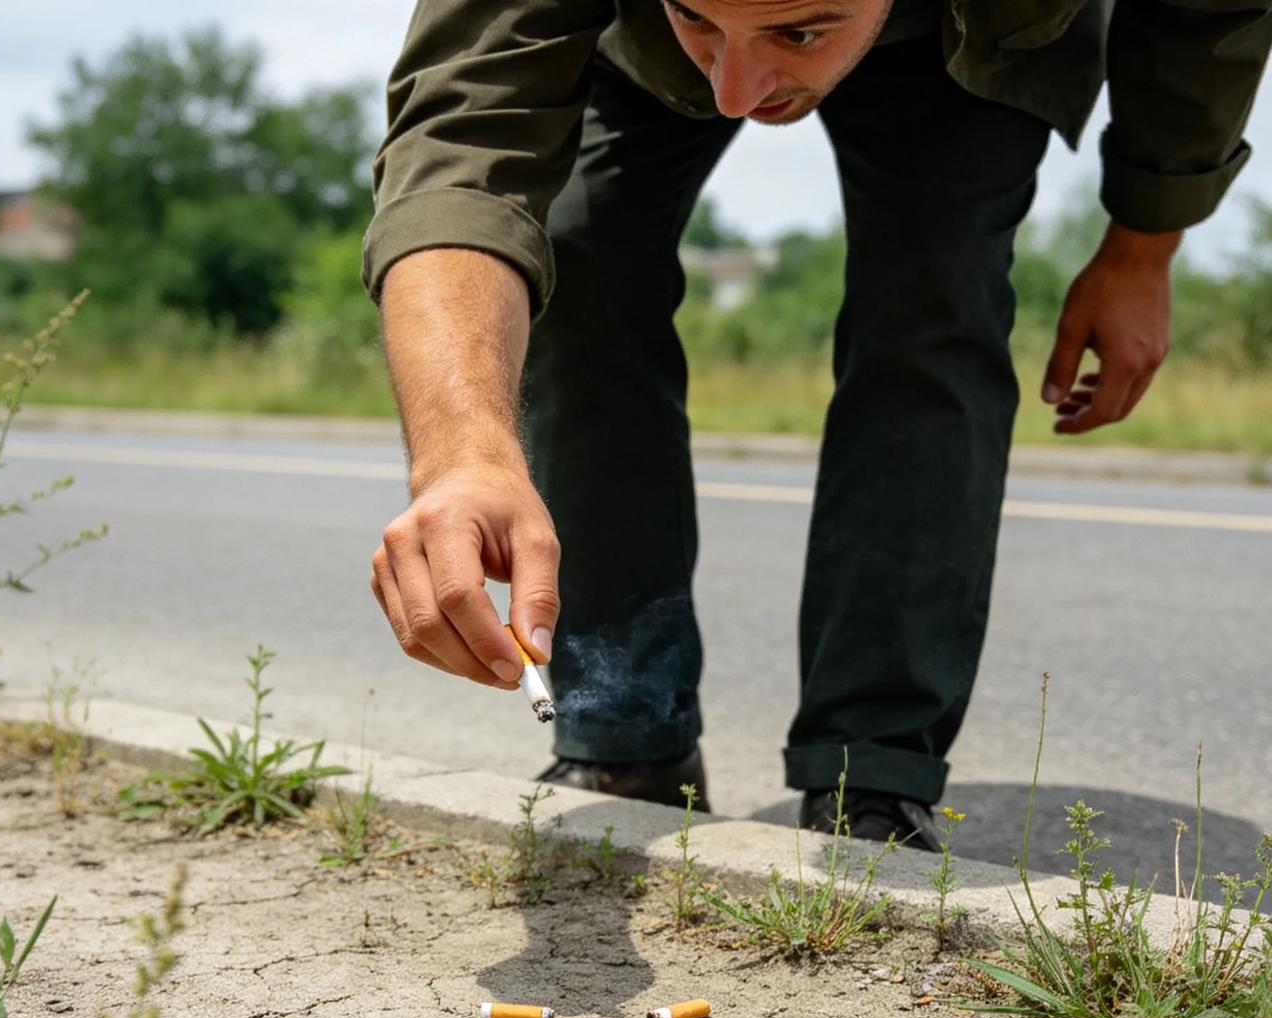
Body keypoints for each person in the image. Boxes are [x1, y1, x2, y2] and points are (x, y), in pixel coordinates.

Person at [364, 0, 1272, 847]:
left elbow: (1208, 15)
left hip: (965, 38)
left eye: (796, 32)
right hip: (628, 52)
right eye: (701, 18)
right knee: (581, 254)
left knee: (933, 304)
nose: (735, 95)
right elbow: (463, 146)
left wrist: (1144, 244)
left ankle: (870, 773)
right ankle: (625, 740)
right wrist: (462, 455)